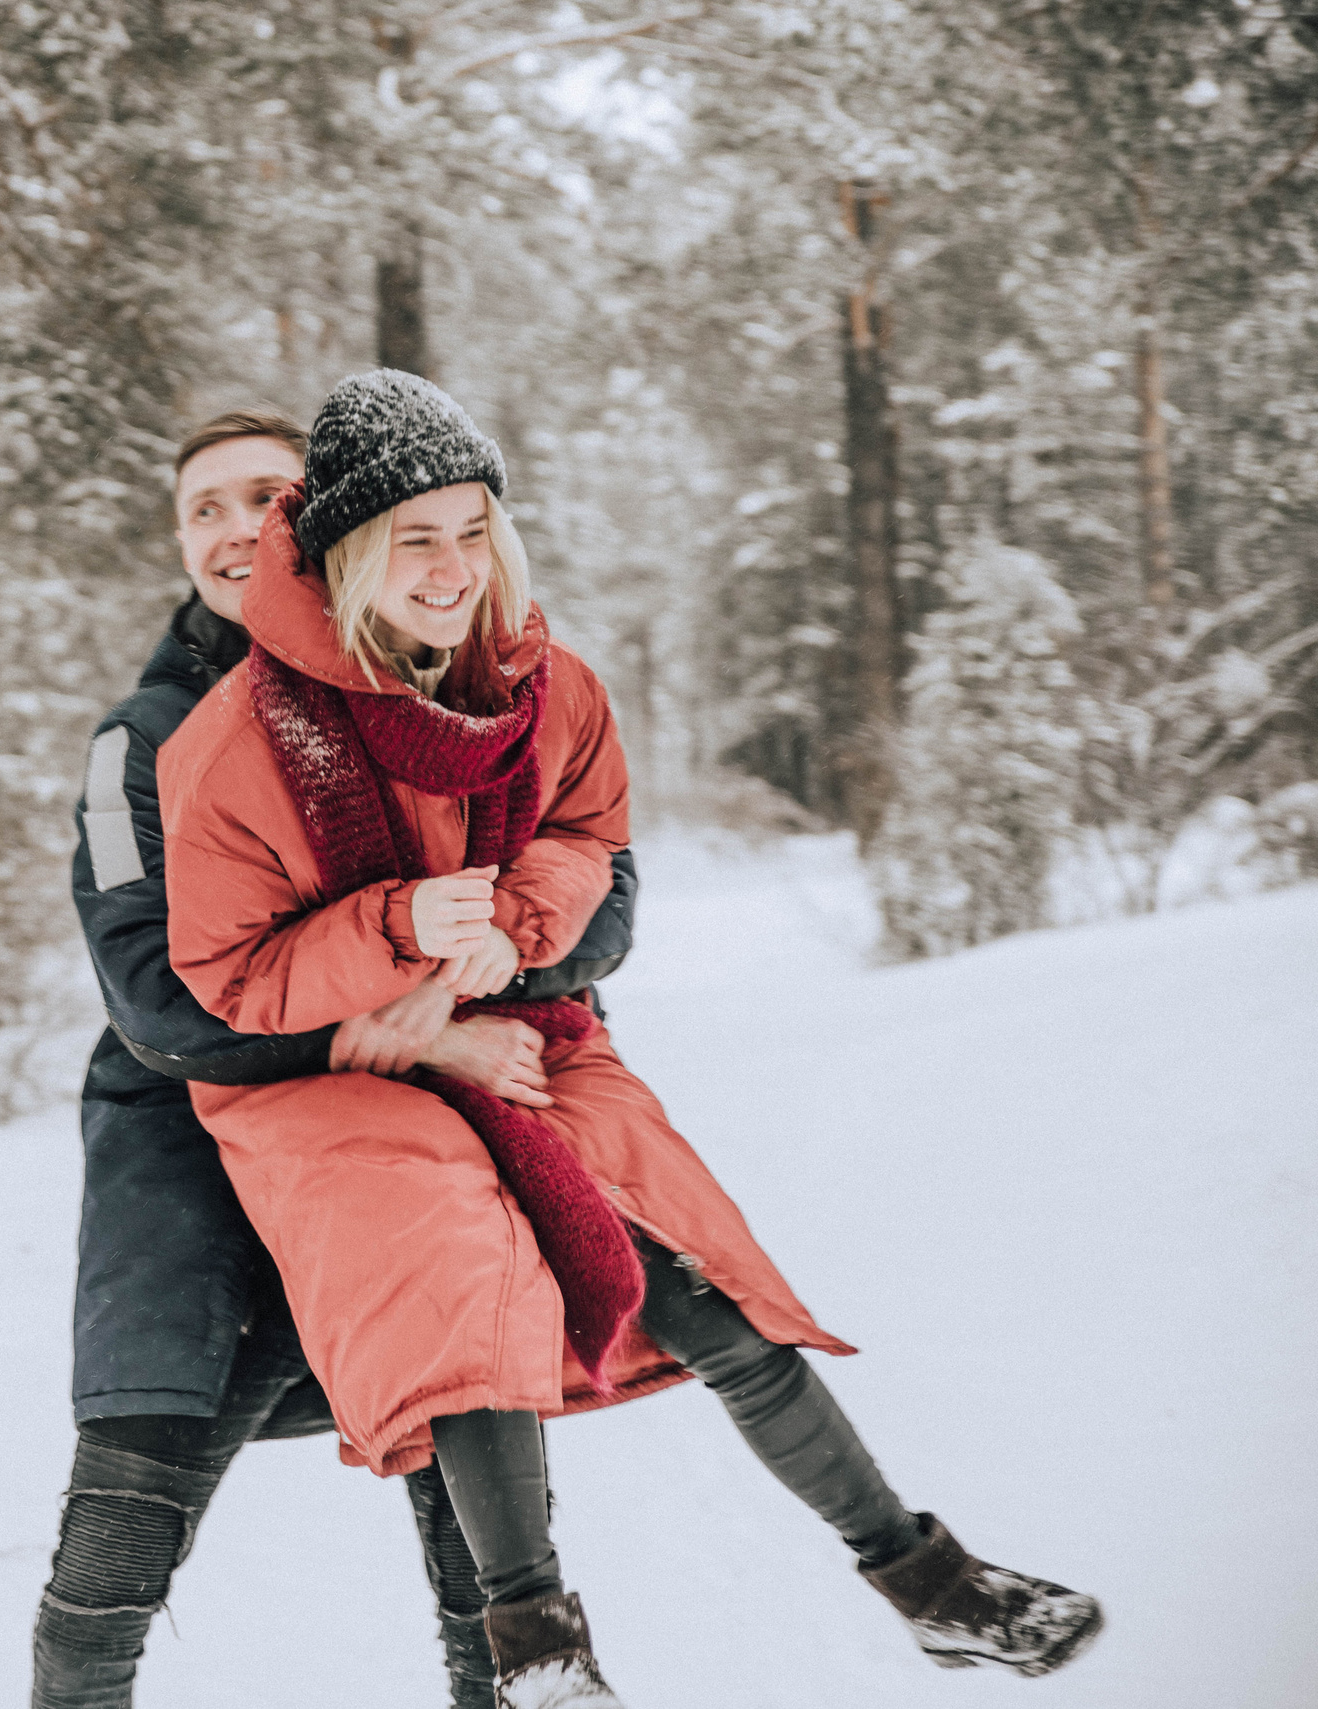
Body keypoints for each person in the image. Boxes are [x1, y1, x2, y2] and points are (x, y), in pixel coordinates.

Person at [155, 370, 1104, 1708]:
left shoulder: (551, 687)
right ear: (346, 551)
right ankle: (538, 1647)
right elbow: (225, 974)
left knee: (699, 1281)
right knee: (450, 1278)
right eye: (412, 537)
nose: (450, 565)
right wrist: (400, 923)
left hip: (520, 1022)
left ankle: (923, 1579)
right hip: (329, 1074)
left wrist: (514, 928)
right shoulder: (231, 744)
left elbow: (587, 838)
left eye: (471, 527)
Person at [34, 408, 638, 1709]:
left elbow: (607, 901)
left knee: (489, 1569)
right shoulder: (135, 743)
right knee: (115, 1550)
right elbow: (150, 997)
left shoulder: (449, 682)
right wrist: (388, 1013)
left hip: (409, 1149)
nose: (232, 529)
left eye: (264, 496)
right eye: (201, 508)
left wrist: (484, 976)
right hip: (186, 1167)